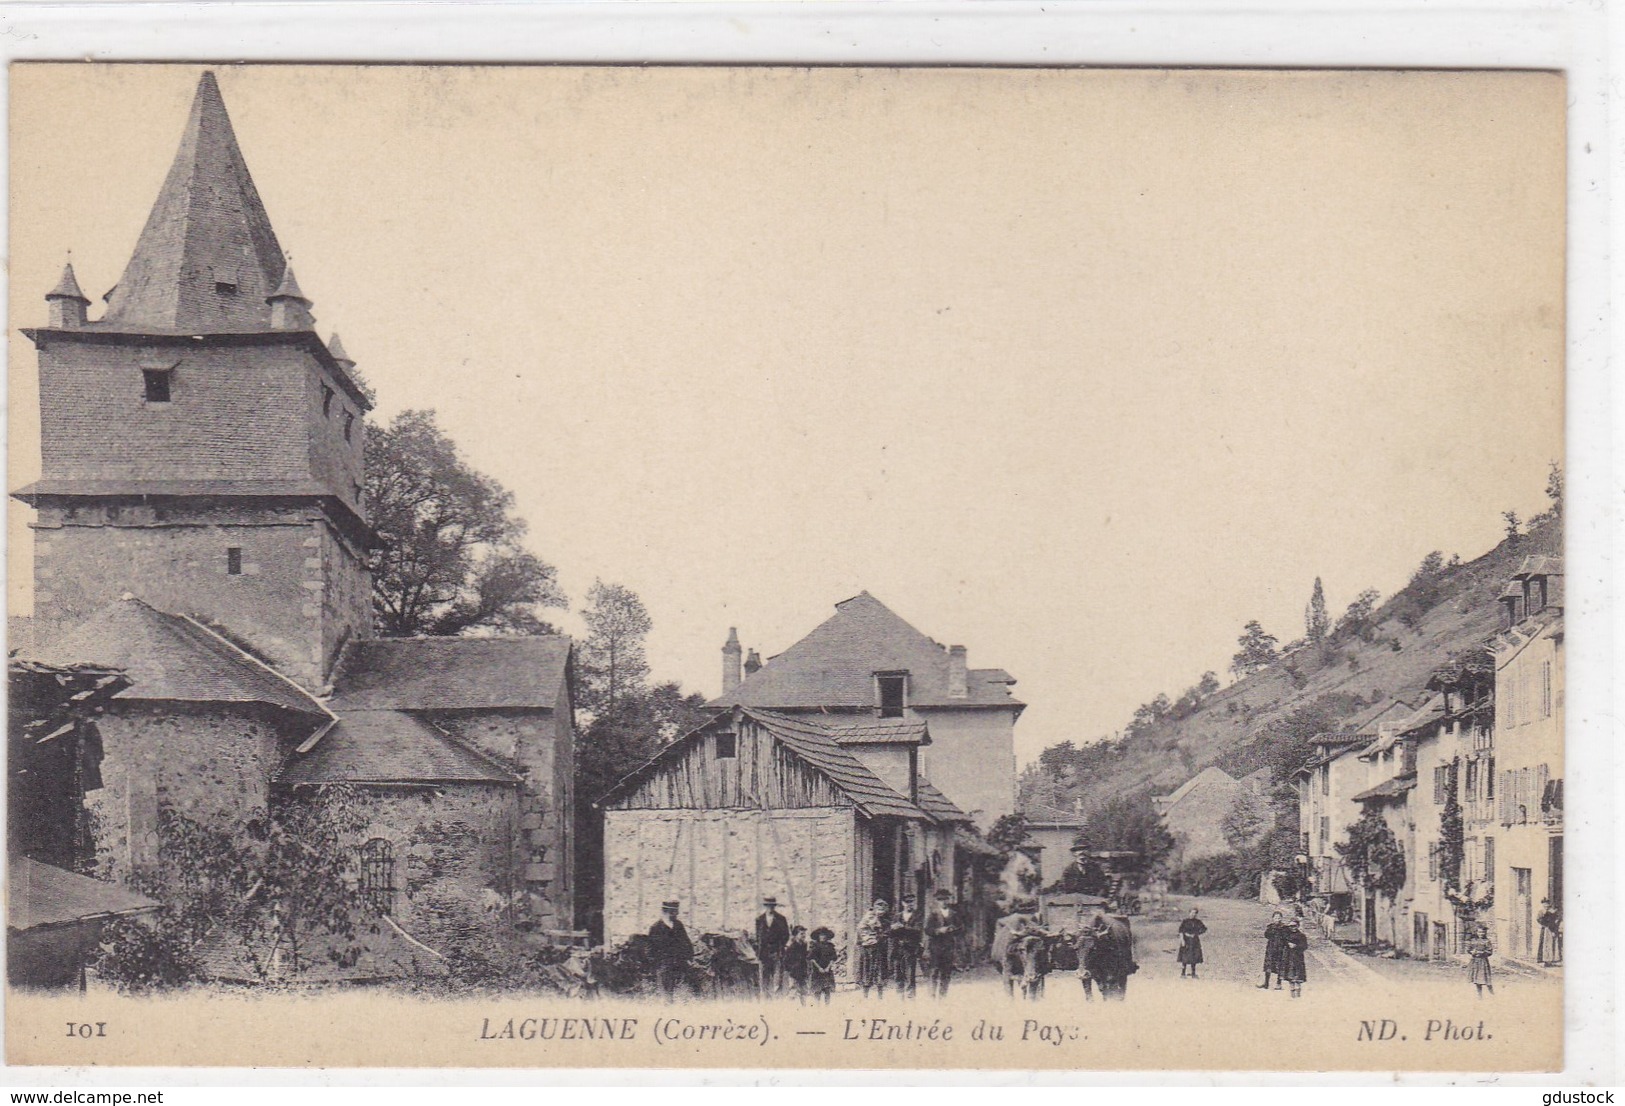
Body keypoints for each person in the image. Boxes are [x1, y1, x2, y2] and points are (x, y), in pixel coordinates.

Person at [647, 900, 694, 1001]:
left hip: (679, 962)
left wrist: (689, 956)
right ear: (665, 912)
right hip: (664, 964)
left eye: (677, 912)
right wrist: (656, 964)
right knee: (666, 990)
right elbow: (651, 949)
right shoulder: (656, 928)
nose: (676, 914)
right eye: (673, 912)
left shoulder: (678, 925)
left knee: (682, 988)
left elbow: (686, 941)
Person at [991, 901, 1039, 998]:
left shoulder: (1006, 920)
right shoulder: (1017, 919)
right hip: (1014, 944)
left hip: (1013, 944)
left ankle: (1012, 998)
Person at [923, 889, 960, 998]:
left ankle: (943, 995)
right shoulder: (933, 914)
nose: (943, 902)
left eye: (945, 899)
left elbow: (961, 928)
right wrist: (938, 931)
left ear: (948, 900)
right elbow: (927, 930)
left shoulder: (954, 914)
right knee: (934, 971)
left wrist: (954, 929)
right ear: (937, 901)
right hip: (935, 947)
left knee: (946, 972)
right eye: (940, 900)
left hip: (949, 946)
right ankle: (932, 994)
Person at [754, 896, 791, 995]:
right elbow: (758, 936)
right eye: (768, 906)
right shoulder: (759, 920)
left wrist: (780, 945)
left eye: (772, 906)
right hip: (764, 953)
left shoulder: (781, 919)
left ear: (774, 907)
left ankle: (777, 996)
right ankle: (766, 997)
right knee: (765, 976)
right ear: (765, 906)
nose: (770, 908)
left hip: (776, 952)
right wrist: (760, 949)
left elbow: (786, 935)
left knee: (777, 975)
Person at [889, 893, 924, 998]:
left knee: (910, 973)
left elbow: (917, 931)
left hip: (910, 949)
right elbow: (891, 934)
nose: (910, 904)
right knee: (898, 972)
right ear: (903, 903)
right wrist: (893, 928)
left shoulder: (918, 916)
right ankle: (899, 995)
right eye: (908, 902)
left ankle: (910, 996)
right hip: (898, 948)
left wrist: (902, 927)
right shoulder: (897, 916)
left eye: (912, 902)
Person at [857, 899, 890, 998]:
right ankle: (865, 994)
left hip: (879, 948)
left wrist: (882, 936)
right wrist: (867, 940)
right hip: (868, 949)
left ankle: (880, 994)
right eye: (879, 909)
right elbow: (861, 931)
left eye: (883, 910)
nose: (881, 912)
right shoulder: (867, 918)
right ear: (875, 909)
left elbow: (887, 932)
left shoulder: (885, 921)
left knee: (880, 969)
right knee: (867, 969)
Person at [1280, 915, 1309, 998]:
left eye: (1294, 926)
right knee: (1290, 977)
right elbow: (1282, 941)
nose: (1293, 928)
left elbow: (1305, 946)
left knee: (1298, 977)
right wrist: (1287, 944)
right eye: (1291, 926)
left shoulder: (1301, 935)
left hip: (1298, 958)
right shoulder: (1286, 935)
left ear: (1298, 926)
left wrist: (1296, 946)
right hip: (1288, 958)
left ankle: (1298, 994)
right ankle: (1292, 994)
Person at [1258, 909, 1288, 989]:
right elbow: (1266, 935)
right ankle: (1266, 983)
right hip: (1271, 949)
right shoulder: (1270, 927)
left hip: (1280, 949)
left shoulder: (1284, 928)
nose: (1277, 920)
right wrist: (1272, 930)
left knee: (1280, 966)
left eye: (1279, 918)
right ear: (1273, 918)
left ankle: (1279, 984)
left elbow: (1286, 938)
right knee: (1268, 966)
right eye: (1275, 918)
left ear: (1281, 918)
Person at [808, 926, 838, 1004]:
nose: (823, 937)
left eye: (824, 935)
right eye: (821, 935)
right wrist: (819, 968)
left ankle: (827, 1007)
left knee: (827, 989)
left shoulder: (830, 946)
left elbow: (833, 957)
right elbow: (812, 958)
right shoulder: (814, 945)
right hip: (817, 971)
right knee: (817, 990)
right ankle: (817, 1007)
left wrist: (828, 967)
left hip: (827, 971)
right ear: (818, 936)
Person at [781, 925, 810, 1003]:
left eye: (804, 933)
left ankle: (803, 1008)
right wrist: (791, 970)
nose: (804, 935)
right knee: (793, 991)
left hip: (803, 972)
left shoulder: (804, 945)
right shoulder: (791, 947)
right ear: (796, 935)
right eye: (801, 934)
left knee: (804, 991)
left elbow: (806, 958)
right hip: (794, 973)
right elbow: (786, 961)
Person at [1177, 907, 1208, 979]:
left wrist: (1197, 933)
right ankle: (1183, 973)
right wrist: (1182, 941)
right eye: (1191, 912)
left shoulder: (1198, 922)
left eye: (1195, 913)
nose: (1193, 914)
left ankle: (1193, 973)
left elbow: (1204, 929)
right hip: (1186, 940)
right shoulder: (1185, 921)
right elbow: (1181, 931)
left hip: (1194, 941)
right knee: (1185, 957)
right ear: (1189, 913)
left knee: (1194, 957)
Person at [1467, 924, 1495, 997]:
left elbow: (1490, 952)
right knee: (1477, 980)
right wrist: (1472, 952)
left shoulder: (1487, 941)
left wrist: (1482, 953)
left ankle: (1492, 994)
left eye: (1483, 932)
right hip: (1475, 961)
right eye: (1479, 932)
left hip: (1483, 962)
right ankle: (1480, 995)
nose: (1481, 934)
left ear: (1485, 933)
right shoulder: (1473, 941)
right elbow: (1468, 949)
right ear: (1476, 932)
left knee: (1486, 979)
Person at [1537, 900, 1563, 966]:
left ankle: (1552, 959)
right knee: (1543, 943)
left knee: (1552, 943)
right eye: (1544, 904)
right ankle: (1543, 959)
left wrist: (1555, 923)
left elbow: (1557, 919)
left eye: (1547, 904)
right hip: (1545, 928)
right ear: (1543, 905)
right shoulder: (1541, 912)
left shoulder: (1552, 911)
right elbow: (1538, 919)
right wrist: (1543, 923)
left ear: (1549, 905)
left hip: (1552, 929)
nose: (1546, 906)